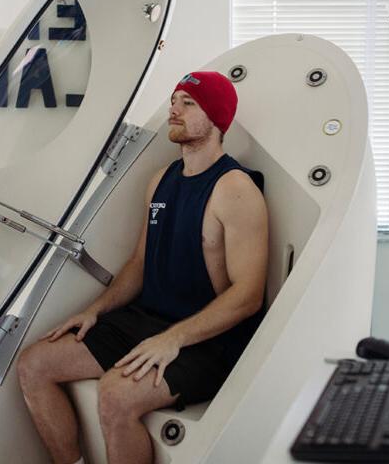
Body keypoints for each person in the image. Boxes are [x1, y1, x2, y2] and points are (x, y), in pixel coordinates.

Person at [17, 71, 269, 464]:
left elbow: (248, 296)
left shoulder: (234, 189)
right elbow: (139, 263)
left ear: (217, 119)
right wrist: (94, 311)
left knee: (116, 395)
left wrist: (175, 339)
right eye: (174, 100)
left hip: (208, 342)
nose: (174, 110)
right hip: (147, 321)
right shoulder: (161, 181)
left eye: (189, 103)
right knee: (34, 364)